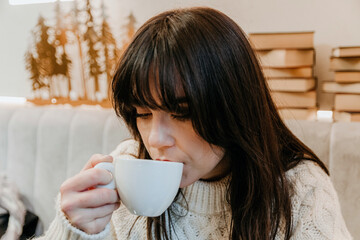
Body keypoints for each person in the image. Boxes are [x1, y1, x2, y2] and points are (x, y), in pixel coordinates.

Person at [36, 7, 352, 240]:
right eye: (143, 114)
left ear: (232, 105)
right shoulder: (127, 166)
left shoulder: (299, 190)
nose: (156, 139)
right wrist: (71, 230)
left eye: (182, 113)